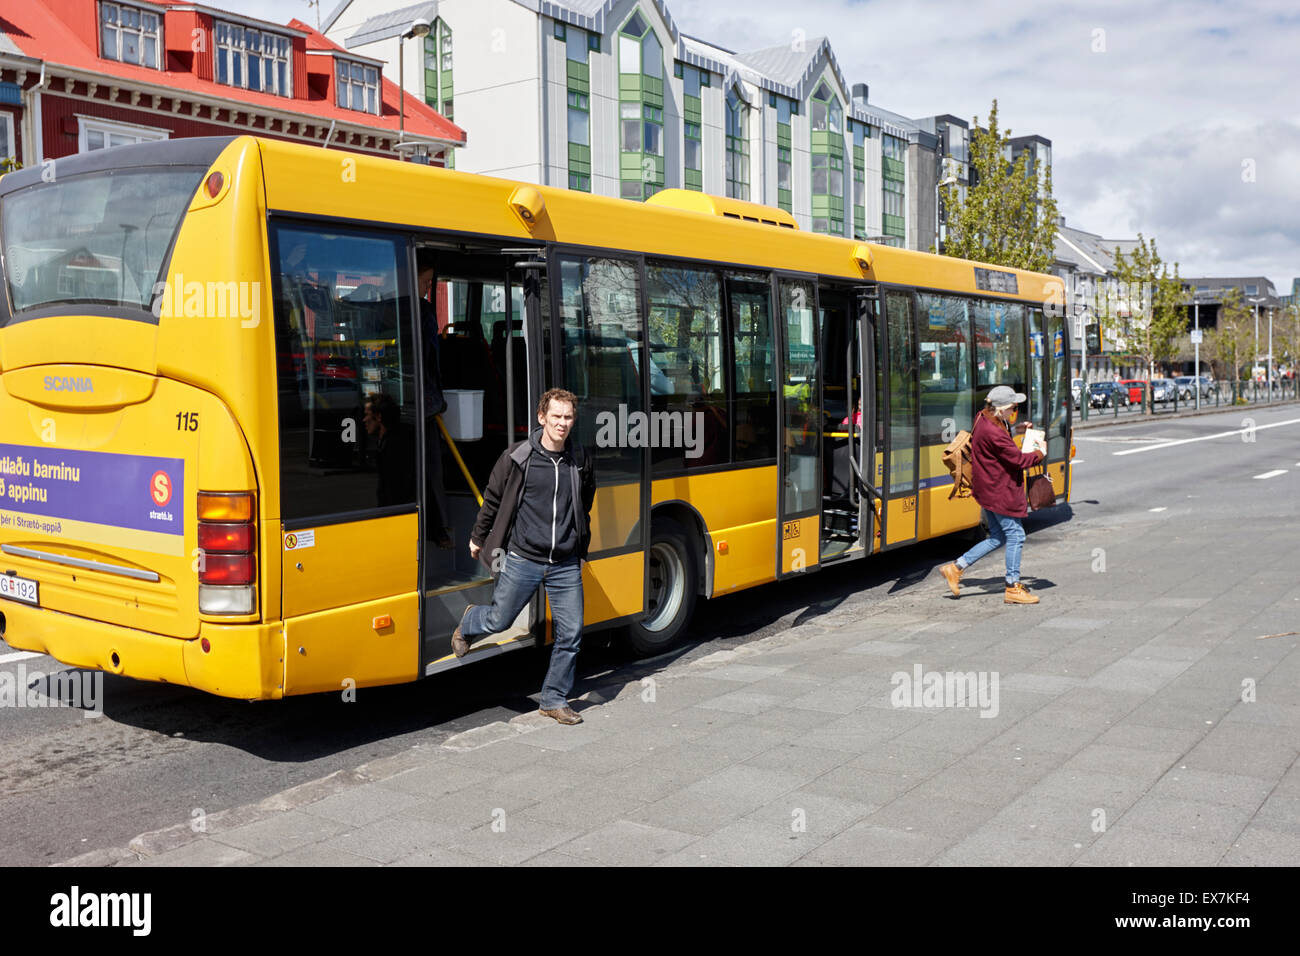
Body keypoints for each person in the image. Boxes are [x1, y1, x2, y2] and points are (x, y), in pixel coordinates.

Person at [453, 388, 596, 724]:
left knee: (571, 633)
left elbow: (585, 500)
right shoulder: (518, 458)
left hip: (564, 562)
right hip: (523, 558)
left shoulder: (580, 459)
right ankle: (471, 620)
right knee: (499, 621)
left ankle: (553, 699)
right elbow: (492, 500)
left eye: (568, 418)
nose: (562, 424)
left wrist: (576, 538)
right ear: (541, 417)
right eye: (557, 417)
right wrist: (478, 537)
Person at [939, 385, 1044, 605]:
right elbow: (1019, 461)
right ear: (1002, 408)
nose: (1015, 411)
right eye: (1013, 408)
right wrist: (1039, 453)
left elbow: (997, 444)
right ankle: (1012, 587)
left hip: (986, 489)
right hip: (999, 491)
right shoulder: (995, 432)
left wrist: (1018, 429)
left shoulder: (983, 418)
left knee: (997, 537)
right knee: (1016, 536)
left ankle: (955, 568)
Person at [416, 252, 453, 548]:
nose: (429, 288)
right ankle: (438, 529)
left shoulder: (383, 307)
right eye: (426, 282)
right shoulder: (424, 313)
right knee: (432, 470)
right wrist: (436, 401)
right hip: (423, 407)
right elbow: (432, 362)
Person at [363, 392, 416, 507]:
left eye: (367, 415)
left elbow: (395, 488)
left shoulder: (396, 446)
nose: (364, 420)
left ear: (379, 417)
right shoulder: (387, 441)